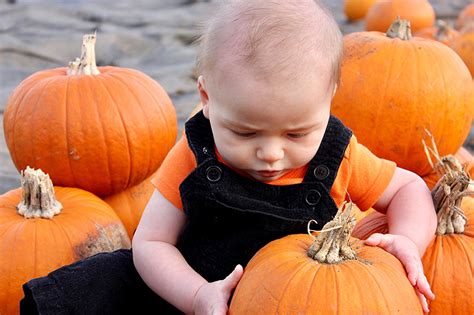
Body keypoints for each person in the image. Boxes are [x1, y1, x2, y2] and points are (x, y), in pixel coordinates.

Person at [21, 0, 437, 314]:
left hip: (292, 298)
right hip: (192, 283)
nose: (271, 154)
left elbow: (409, 189)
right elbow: (151, 244)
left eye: (297, 133)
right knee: (98, 284)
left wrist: (408, 240)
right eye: (244, 132)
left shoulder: (338, 155)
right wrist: (196, 295)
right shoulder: (195, 152)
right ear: (207, 99)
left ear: (328, 101)